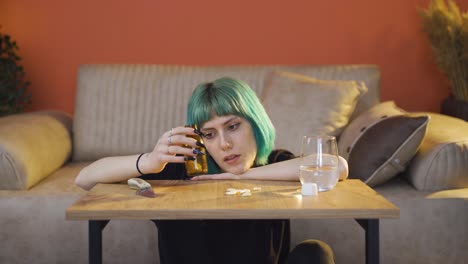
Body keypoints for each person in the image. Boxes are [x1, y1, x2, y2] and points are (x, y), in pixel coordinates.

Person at [75, 77, 348, 264]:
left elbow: (338, 166)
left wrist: (242, 175)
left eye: (233, 126)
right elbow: (85, 178)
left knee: (315, 252)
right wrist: (148, 161)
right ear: (198, 137)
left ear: (255, 123)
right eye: (210, 134)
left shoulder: (275, 165)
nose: (225, 144)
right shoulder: (180, 171)